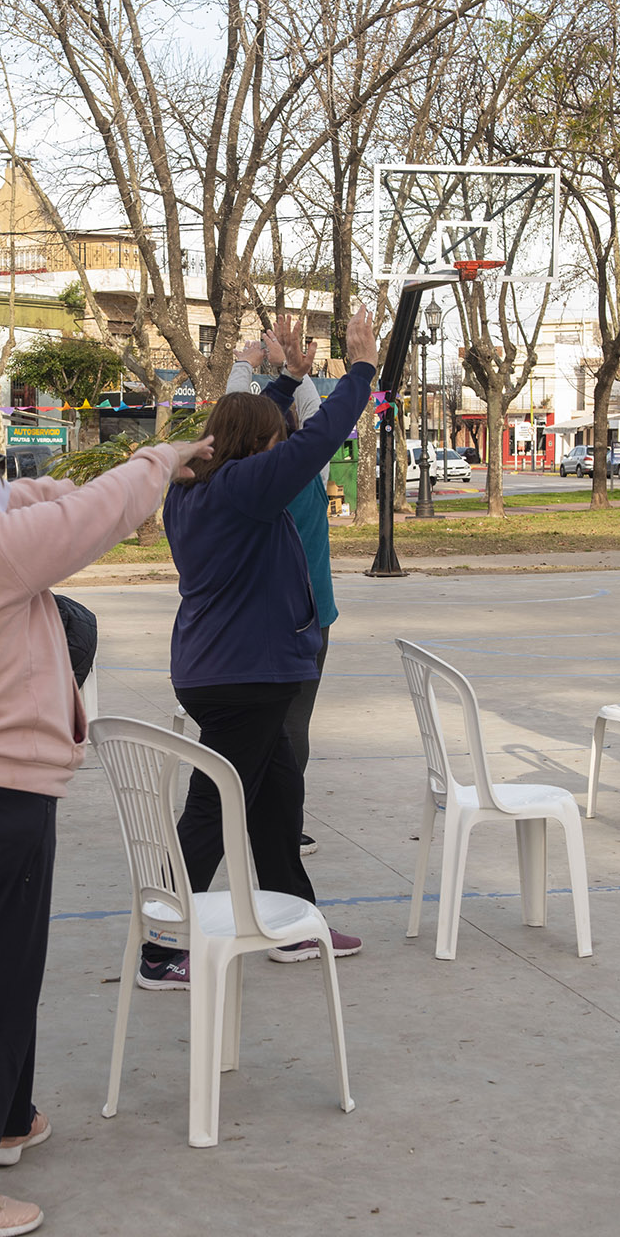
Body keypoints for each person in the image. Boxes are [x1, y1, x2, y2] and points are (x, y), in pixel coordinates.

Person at [0, 408, 212, 1237]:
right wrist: (157, 461)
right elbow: (82, 520)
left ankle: (6, 1119)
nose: (0, 476)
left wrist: (123, 469)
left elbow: (33, 501)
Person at [137, 308, 378, 991]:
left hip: (224, 668)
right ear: (254, 451)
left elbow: (252, 430)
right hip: (247, 674)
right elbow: (316, 441)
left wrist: (285, 381)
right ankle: (161, 946)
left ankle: (293, 922)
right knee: (214, 809)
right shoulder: (245, 490)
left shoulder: (200, 488)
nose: (282, 451)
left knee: (277, 796)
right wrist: (359, 371)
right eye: (272, 443)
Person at [226, 320, 336, 858]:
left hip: (279, 620)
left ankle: (261, 821)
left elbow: (225, 424)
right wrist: (295, 370)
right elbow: (321, 419)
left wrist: (253, 368)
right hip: (301, 623)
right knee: (290, 732)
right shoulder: (297, 476)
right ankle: (277, 826)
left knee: (269, 733)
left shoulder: (238, 481)